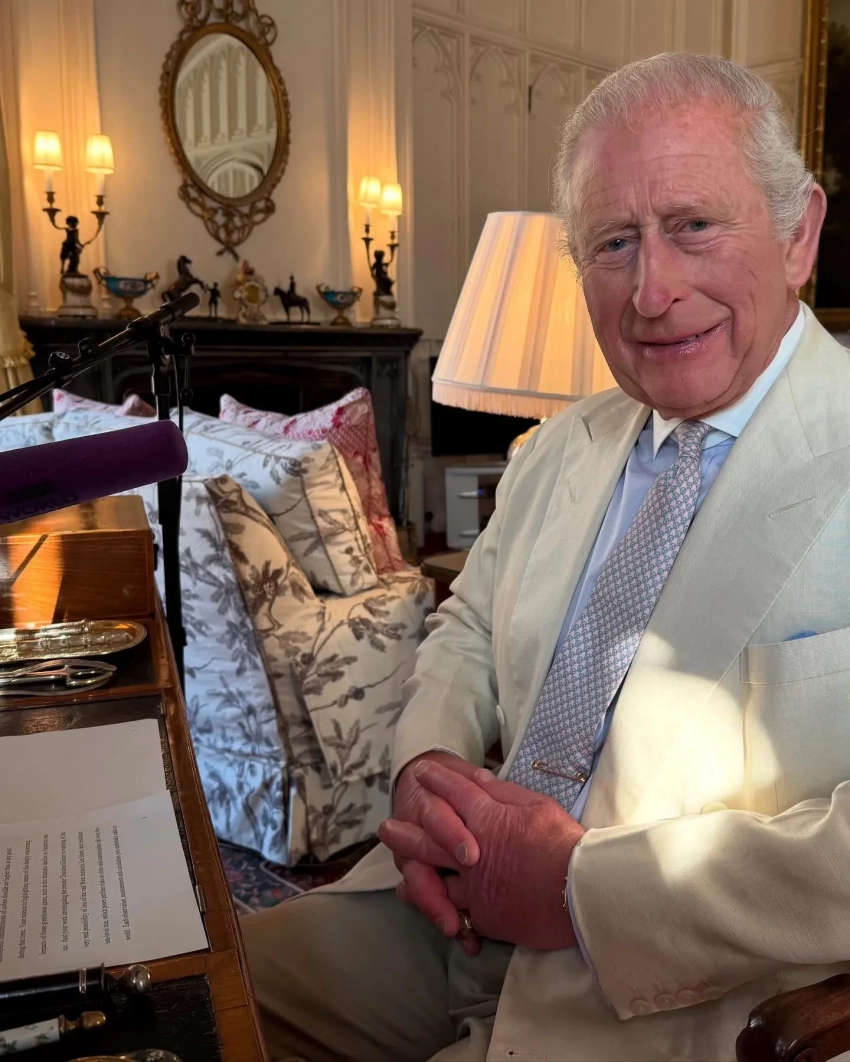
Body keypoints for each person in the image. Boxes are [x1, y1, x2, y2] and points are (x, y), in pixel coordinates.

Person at [242, 52, 850, 1062]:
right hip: (444, 910)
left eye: (694, 226)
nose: (652, 291)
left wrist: (576, 890)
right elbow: (468, 628)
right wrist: (429, 765)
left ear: (798, 235)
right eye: (614, 242)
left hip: (677, 992)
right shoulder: (562, 444)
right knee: (192, 994)